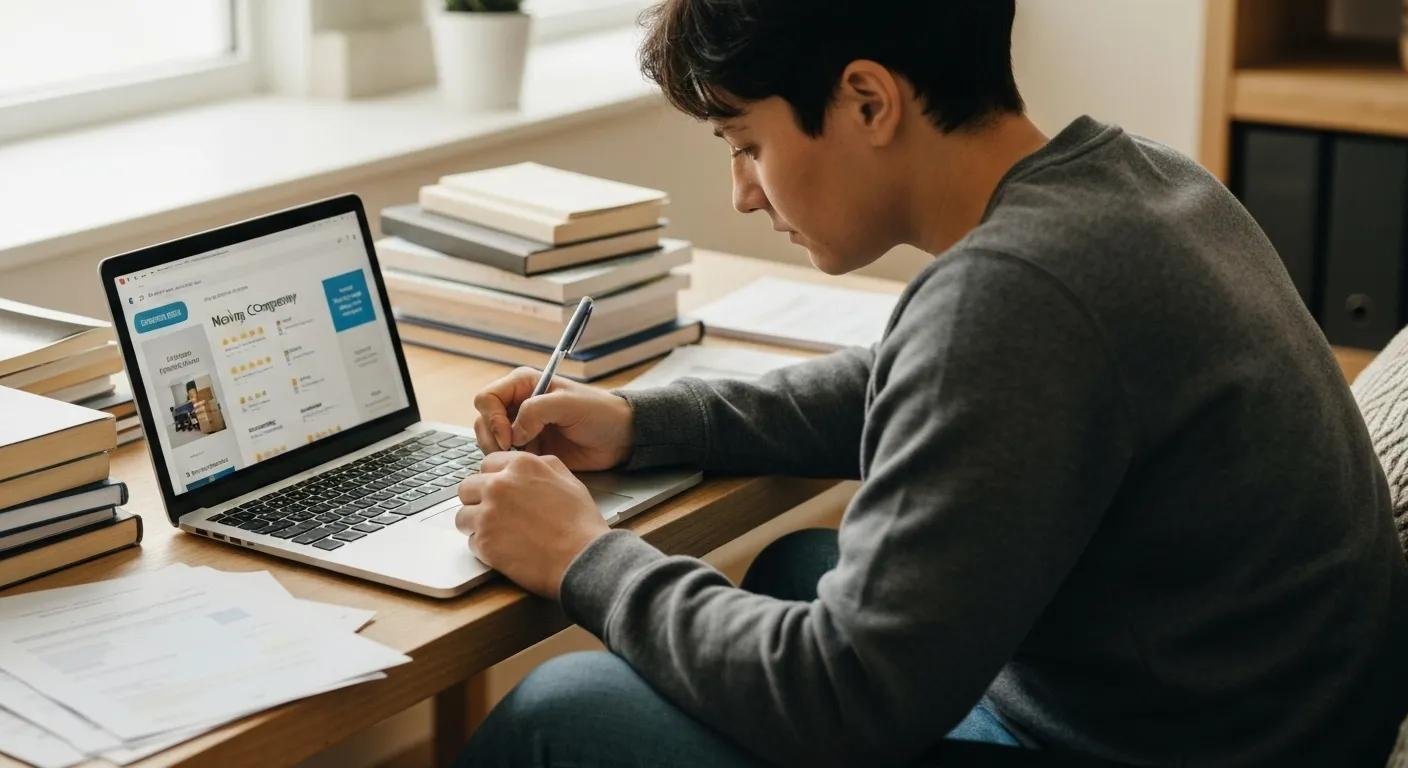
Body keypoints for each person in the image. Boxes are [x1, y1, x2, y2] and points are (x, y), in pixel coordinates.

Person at [452, 1, 1408, 765]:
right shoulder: (1136, 182)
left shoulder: (1015, 294)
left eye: (746, 143)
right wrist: (641, 421)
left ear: (869, 101)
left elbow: (841, 701)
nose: (743, 191)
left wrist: (581, 555)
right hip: (1241, 717)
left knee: (560, 710)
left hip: (1159, 745)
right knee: (794, 571)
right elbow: (924, 386)